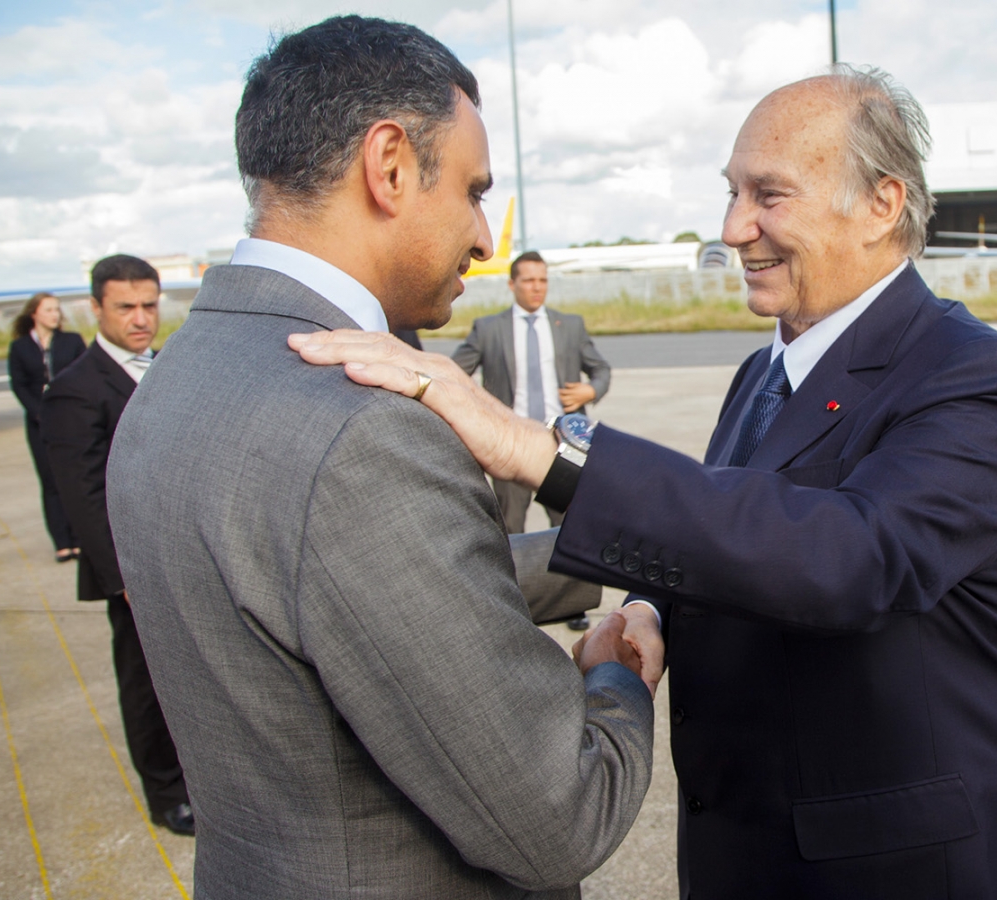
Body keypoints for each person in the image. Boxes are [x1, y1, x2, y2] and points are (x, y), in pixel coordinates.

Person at [295, 65, 997, 899]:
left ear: (881, 205)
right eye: (732, 192)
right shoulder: (762, 376)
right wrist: (657, 608)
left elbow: (852, 557)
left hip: (902, 867)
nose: (733, 226)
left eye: (770, 195)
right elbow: (740, 536)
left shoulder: (975, 375)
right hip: (751, 851)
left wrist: (540, 450)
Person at [105, 17, 653, 900]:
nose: (484, 239)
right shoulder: (360, 428)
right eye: (475, 192)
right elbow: (561, 813)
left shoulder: (176, 379)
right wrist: (617, 676)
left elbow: (355, 590)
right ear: (390, 165)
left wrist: (646, 550)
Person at [41, 255, 193, 836]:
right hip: (135, 569)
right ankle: (166, 795)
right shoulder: (75, 390)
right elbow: (80, 494)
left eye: (149, 305)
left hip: (185, 553)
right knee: (146, 684)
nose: (140, 319)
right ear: (96, 308)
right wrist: (123, 580)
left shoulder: (166, 366)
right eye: (126, 307)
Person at [453, 250, 610, 630]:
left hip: (563, 446)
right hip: (509, 446)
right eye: (528, 280)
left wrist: (590, 392)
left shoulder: (568, 325)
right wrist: (481, 414)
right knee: (509, 527)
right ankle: (513, 609)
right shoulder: (488, 329)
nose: (537, 287)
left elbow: (600, 369)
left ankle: (573, 604)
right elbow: (456, 374)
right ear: (512, 284)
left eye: (542, 280)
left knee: (569, 525)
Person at [7, 292, 85, 562]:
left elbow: (83, 376)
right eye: (49, 310)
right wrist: (38, 411)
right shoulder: (19, 347)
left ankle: (79, 538)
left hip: (69, 421)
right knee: (50, 482)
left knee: (74, 478)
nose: (55, 314)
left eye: (57, 310)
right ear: (34, 313)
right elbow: (18, 384)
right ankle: (62, 542)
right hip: (39, 423)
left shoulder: (71, 341)